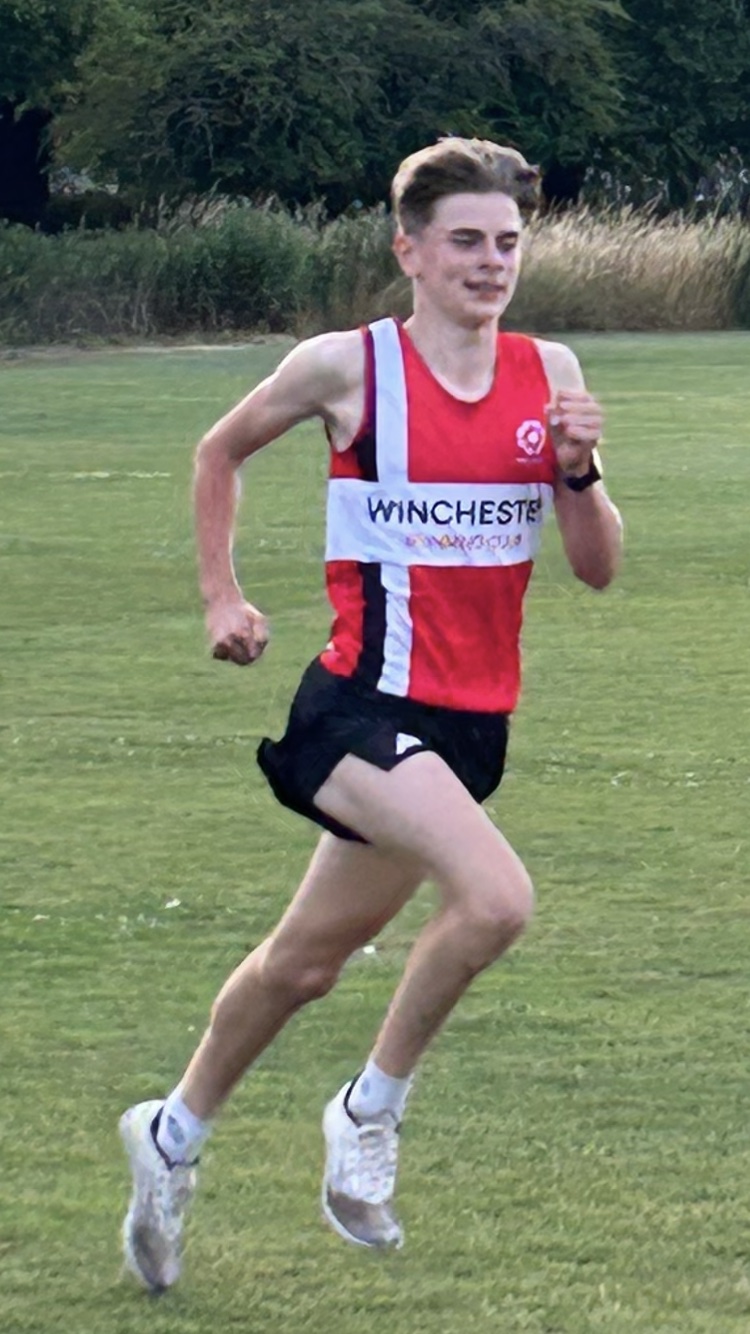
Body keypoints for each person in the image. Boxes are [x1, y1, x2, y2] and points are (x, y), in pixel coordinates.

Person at [119, 137, 623, 1291]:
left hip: (469, 730)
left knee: (303, 964)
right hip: (354, 708)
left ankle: (170, 1134)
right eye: (466, 241)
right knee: (496, 898)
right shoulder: (346, 368)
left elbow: (597, 567)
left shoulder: (549, 372)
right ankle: (367, 1109)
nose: (491, 262)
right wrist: (221, 595)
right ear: (409, 251)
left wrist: (580, 470)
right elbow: (219, 449)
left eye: (507, 242)